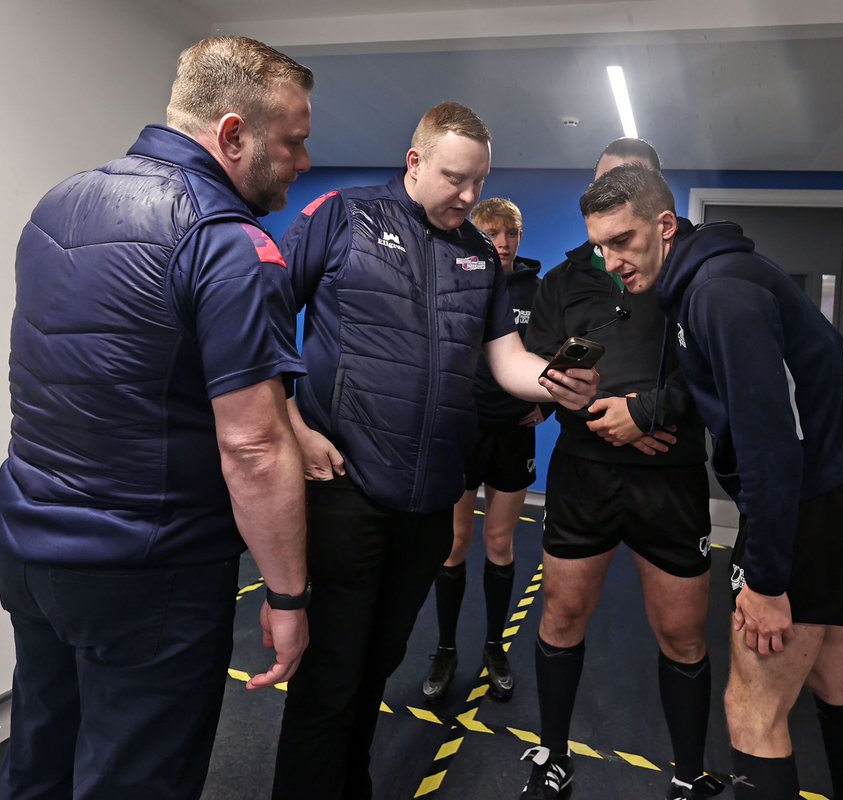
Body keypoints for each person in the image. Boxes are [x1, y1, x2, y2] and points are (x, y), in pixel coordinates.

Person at [0, 36, 313, 799]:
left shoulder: (58, 202)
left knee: (40, 757)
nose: (301, 162)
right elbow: (256, 447)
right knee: (134, 779)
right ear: (233, 134)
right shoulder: (230, 244)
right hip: (145, 574)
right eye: (293, 142)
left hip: (30, 555)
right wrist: (288, 596)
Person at [272, 102, 599, 800]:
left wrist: (553, 380)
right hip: (343, 488)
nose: (470, 196)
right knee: (330, 675)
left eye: (480, 181)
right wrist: (293, 424)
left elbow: (506, 359)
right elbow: (263, 320)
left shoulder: (478, 255)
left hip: (426, 500)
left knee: (377, 666)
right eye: (456, 178)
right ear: (415, 163)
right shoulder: (342, 216)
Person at [581, 164, 843, 800]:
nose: (611, 262)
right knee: (832, 670)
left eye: (623, 241)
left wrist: (768, 582)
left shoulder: (719, 295)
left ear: (665, 226)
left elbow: (775, 445)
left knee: (753, 708)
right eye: (600, 247)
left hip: (806, 504)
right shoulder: (713, 280)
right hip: (835, 494)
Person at [518, 139, 724, 800]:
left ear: (654, 201)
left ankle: (688, 775)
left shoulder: (697, 269)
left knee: (683, 633)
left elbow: (723, 368)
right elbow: (540, 375)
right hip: (584, 475)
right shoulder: (566, 278)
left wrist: (649, 413)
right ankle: (553, 756)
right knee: (561, 613)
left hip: (672, 475)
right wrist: (556, 400)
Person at [422, 197, 545, 705]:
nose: (504, 243)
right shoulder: (460, 281)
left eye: (511, 233)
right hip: (463, 431)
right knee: (453, 544)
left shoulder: (538, 291)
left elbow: (553, 355)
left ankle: (495, 646)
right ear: (479, 236)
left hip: (514, 432)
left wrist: (551, 408)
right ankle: (446, 648)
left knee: (500, 544)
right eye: (494, 233)